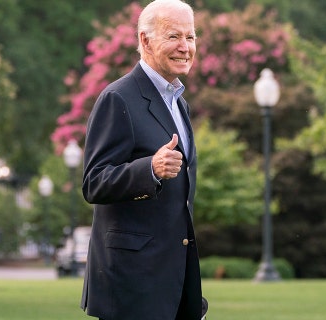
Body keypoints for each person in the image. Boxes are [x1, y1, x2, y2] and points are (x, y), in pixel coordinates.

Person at [79, 0, 206, 319]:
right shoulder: (117, 98)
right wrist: (149, 169)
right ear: (145, 40)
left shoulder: (179, 103)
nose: (185, 47)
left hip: (172, 282)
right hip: (131, 286)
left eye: (190, 37)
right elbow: (94, 183)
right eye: (174, 36)